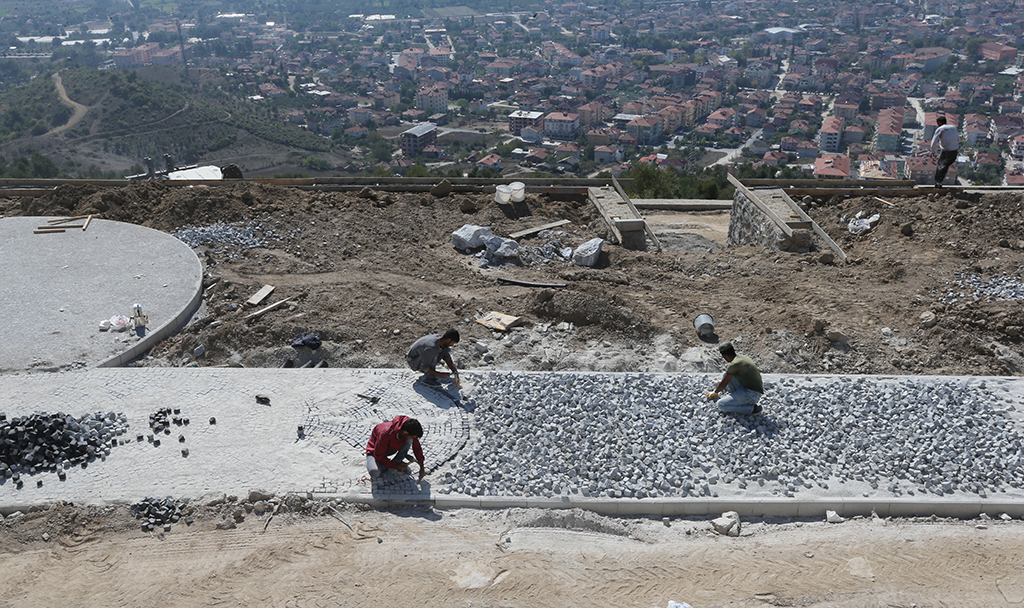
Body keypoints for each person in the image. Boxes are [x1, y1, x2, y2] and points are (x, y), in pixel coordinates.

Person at [707, 342, 763, 415]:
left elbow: (723, 385)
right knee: (725, 374)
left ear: (724, 355)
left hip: (752, 394)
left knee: (721, 405)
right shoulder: (741, 358)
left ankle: (752, 409)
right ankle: (736, 398)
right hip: (753, 389)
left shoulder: (733, 365)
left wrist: (714, 392)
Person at [366, 415, 426, 481]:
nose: (413, 438)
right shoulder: (385, 434)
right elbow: (379, 455)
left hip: (390, 448)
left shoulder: (409, 429)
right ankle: (394, 465)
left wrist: (422, 466)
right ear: (405, 433)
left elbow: (417, 448)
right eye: (412, 436)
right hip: (375, 451)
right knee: (375, 472)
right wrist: (395, 466)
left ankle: (397, 462)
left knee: (409, 440)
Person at [930, 115, 959, 188]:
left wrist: (933, 151)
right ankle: (939, 184)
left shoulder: (940, 129)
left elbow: (933, 142)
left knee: (940, 167)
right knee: (945, 167)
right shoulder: (953, 127)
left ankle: (937, 185)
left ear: (939, 123)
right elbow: (958, 139)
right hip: (954, 152)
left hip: (947, 152)